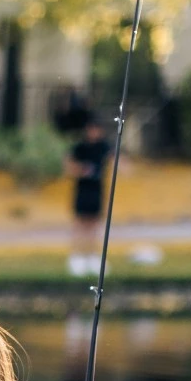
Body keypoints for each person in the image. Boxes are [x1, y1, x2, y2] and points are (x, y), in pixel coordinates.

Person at [65, 116, 111, 277]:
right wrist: (82, 170)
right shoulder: (80, 148)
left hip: (97, 191)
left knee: (94, 224)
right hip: (82, 190)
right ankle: (77, 257)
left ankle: (92, 257)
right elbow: (69, 166)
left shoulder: (103, 147)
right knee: (80, 224)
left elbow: (115, 160)